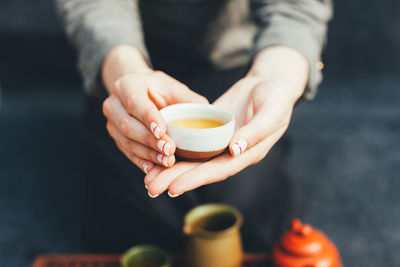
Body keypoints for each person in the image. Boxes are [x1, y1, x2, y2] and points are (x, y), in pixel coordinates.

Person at [56, 0, 332, 253]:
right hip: (129, 62)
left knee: (245, 217)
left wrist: (276, 75)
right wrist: (123, 70)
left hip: (244, 67)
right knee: (137, 226)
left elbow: (296, 7)